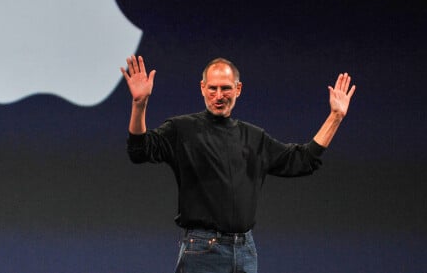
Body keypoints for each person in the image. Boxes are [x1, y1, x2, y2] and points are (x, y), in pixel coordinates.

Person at [120, 55, 356, 273]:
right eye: (212, 88)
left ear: (238, 89)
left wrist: (335, 117)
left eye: (226, 88)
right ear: (202, 88)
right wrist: (139, 104)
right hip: (202, 251)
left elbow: (303, 160)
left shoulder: (253, 137)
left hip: (245, 250)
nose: (219, 95)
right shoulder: (182, 130)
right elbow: (139, 150)